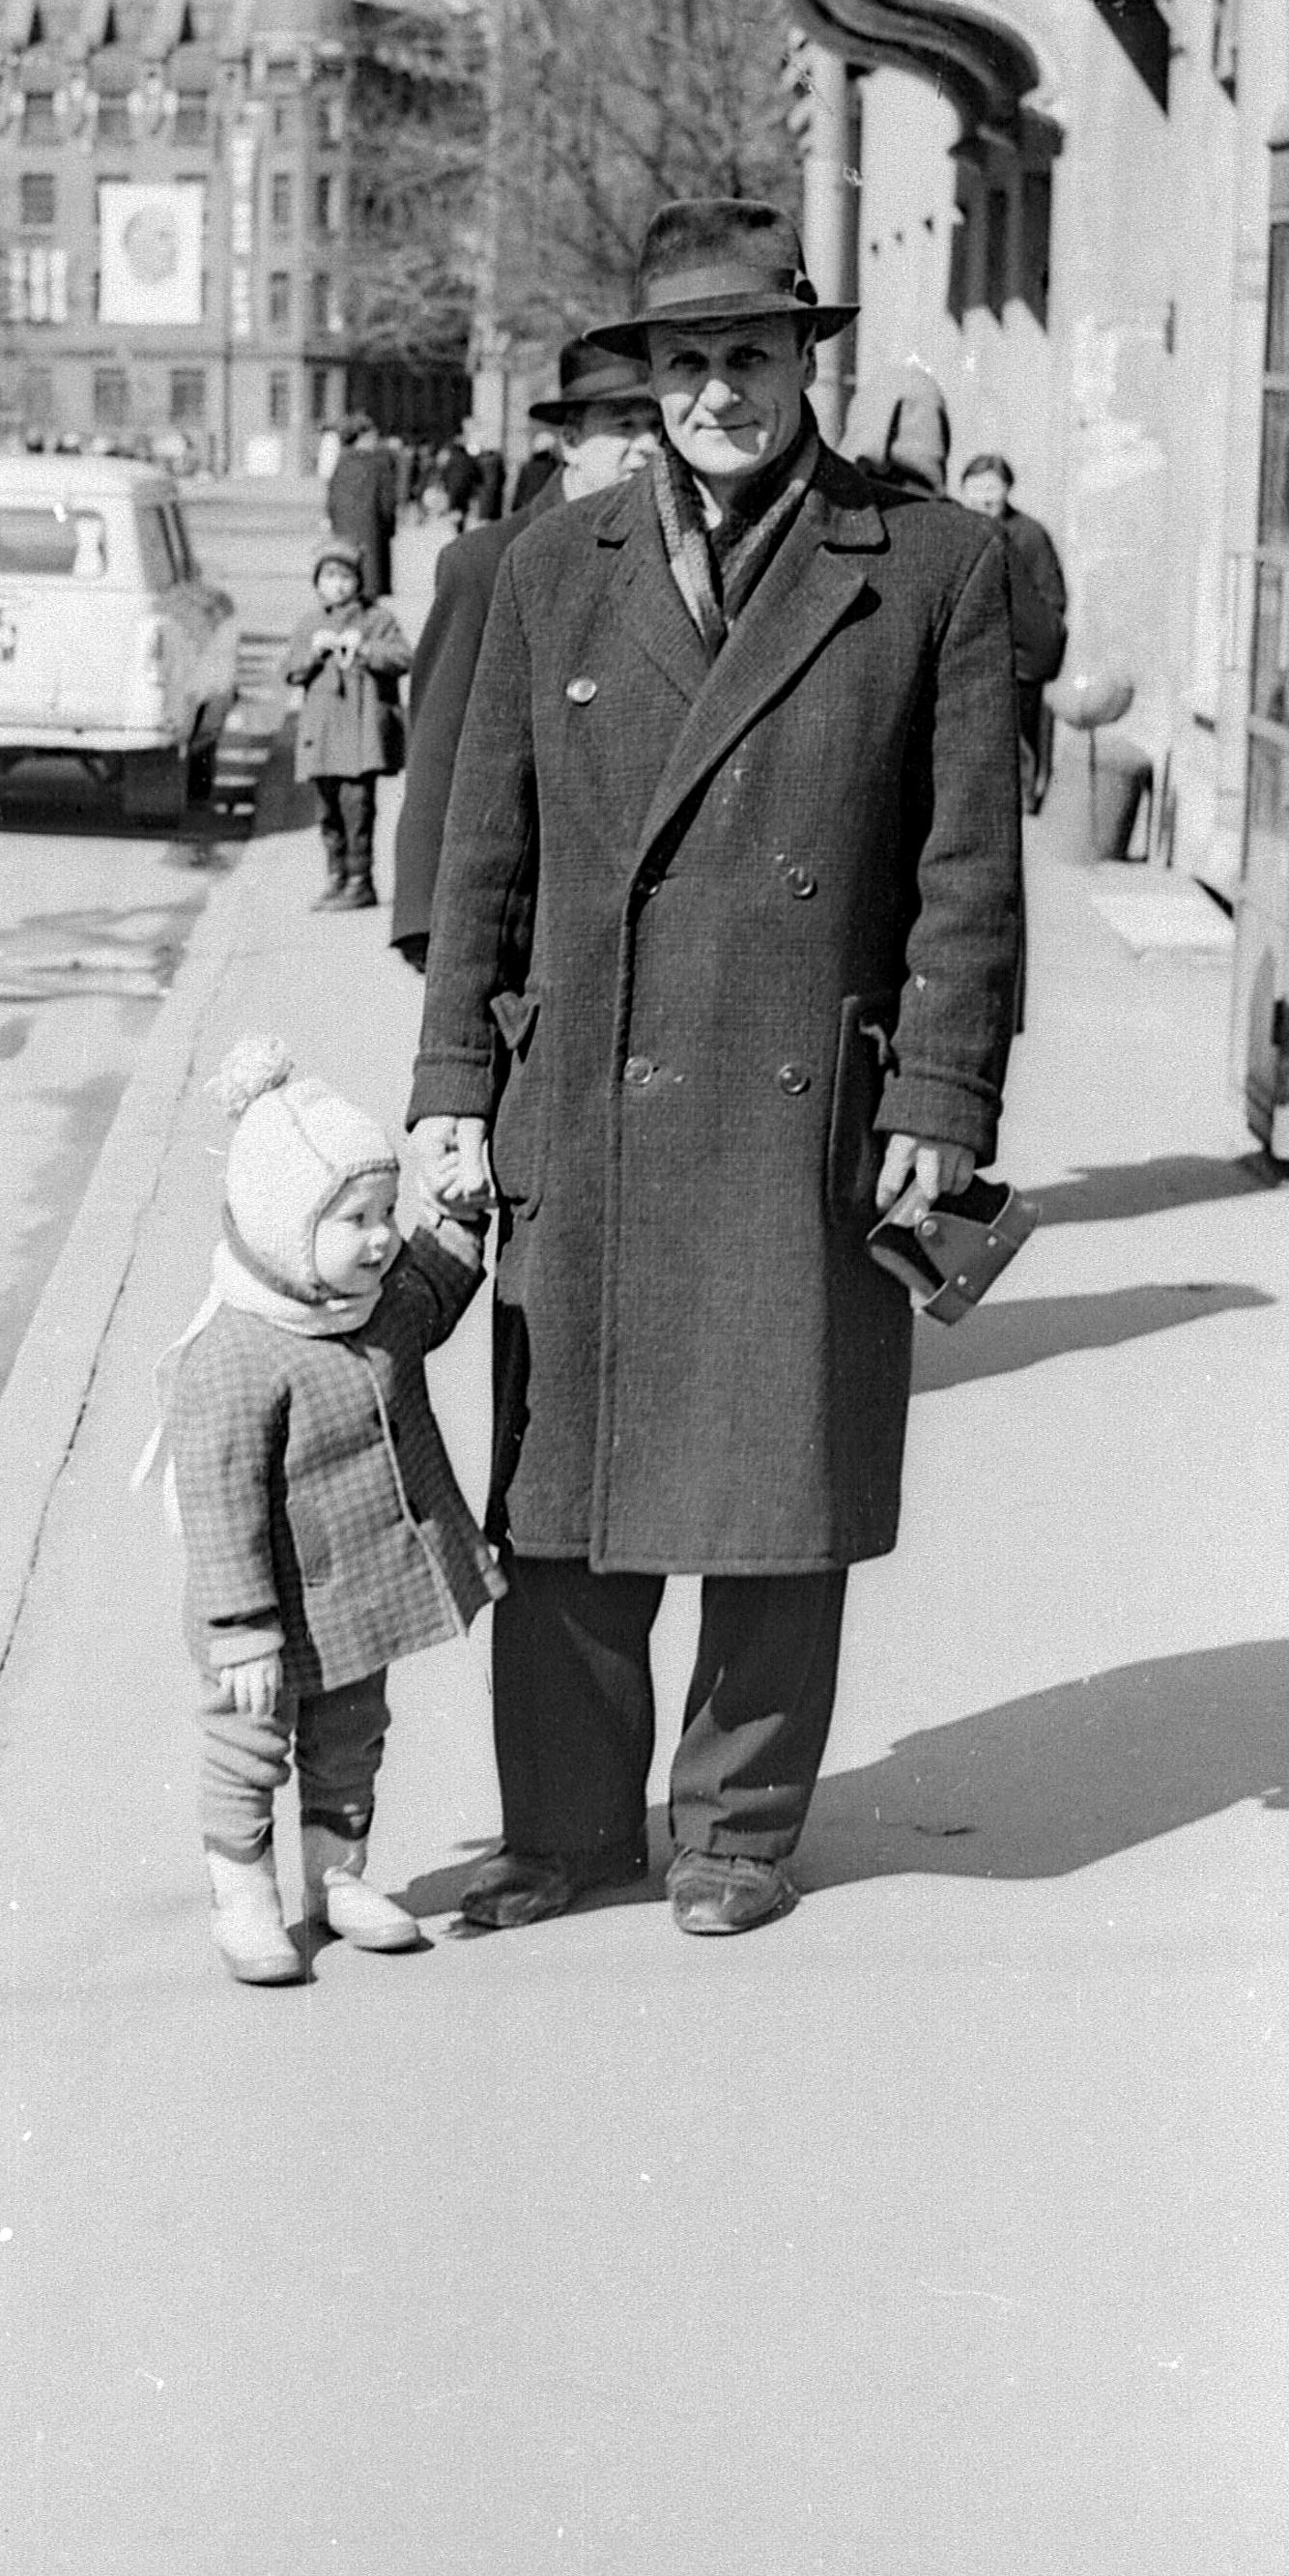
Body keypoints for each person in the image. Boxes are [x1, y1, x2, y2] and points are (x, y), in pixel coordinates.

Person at [408, 197, 1022, 1940]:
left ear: (800, 360)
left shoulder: (927, 565)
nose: (717, 391)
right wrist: (449, 1082)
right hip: (586, 1089)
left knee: (778, 1483)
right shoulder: (553, 564)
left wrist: (939, 1100)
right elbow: (484, 852)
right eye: (686, 360)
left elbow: (967, 869)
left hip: (799, 1095)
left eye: (749, 354)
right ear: (648, 377)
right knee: (560, 1492)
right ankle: (564, 1826)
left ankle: (738, 1828)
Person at [160, 1036, 500, 1983]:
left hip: (358, 1591)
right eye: (354, 1220)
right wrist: (239, 1631)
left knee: (351, 1736)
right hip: (266, 1613)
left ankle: (337, 1877)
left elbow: (433, 1288)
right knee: (248, 1748)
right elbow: (218, 1504)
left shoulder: (376, 1302)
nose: (382, 1237)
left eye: (384, 1212)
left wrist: (457, 1220)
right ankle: (244, 1899)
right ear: (282, 1229)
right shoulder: (236, 1357)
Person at [391, 335, 660, 972]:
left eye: (658, 427)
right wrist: (427, 922)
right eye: (624, 426)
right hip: (526, 917)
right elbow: (439, 751)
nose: (647, 446)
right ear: (569, 440)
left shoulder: (681, 559)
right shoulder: (488, 563)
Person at [282, 532, 413, 913]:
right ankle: (335, 876)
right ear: (317, 583)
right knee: (328, 811)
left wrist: (366, 649)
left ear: (359, 581)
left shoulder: (377, 619)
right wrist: (314, 653)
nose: (337, 586)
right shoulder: (311, 623)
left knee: (357, 808)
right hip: (322, 736)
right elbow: (289, 671)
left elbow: (404, 657)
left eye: (345, 577)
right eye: (329, 577)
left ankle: (360, 880)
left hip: (360, 737)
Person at [956, 451, 1068, 812]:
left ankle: (1020, 804)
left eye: (992, 489)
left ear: (1007, 490)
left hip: (1019, 657)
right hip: (971, 652)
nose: (983, 499)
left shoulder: (1029, 535)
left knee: (1017, 741)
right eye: (975, 489)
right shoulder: (957, 530)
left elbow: (1053, 599)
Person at [324, 412, 398, 600]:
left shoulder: (342, 463)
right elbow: (387, 501)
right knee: (369, 582)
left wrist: (333, 522)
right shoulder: (378, 464)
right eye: (373, 435)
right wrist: (389, 526)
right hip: (372, 531)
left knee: (346, 580)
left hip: (343, 531)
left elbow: (331, 499)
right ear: (363, 436)